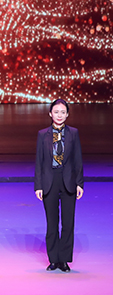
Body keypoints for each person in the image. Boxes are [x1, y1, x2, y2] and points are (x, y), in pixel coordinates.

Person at [35, 99, 84, 272]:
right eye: (56, 112)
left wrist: (79, 183)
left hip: (69, 180)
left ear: (67, 114)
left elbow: (78, 159)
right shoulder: (43, 134)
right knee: (52, 223)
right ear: (50, 113)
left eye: (63, 112)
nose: (59, 115)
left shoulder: (73, 133)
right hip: (50, 180)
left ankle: (64, 260)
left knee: (68, 223)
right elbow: (39, 161)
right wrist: (38, 185)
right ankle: (53, 259)